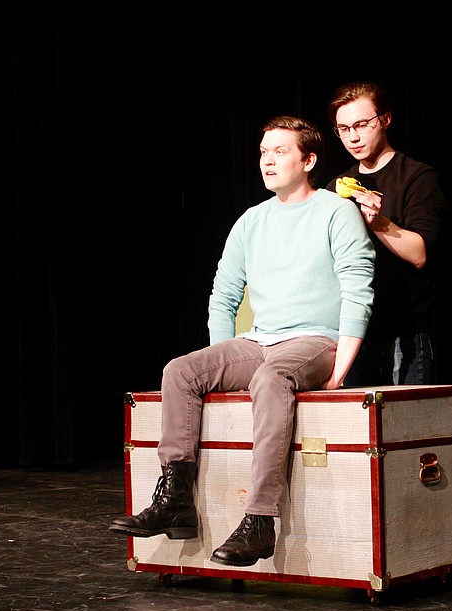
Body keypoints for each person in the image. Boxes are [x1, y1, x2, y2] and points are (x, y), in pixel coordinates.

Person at [109, 116, 375, 567]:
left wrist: (340, 369)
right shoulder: (251, 220)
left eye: (281, 151)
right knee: (181, 369)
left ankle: (260, 519)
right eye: (263, 152)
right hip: (259, 340)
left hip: (316, 339)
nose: (268, 161)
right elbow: (224, 294)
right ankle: (175, 498)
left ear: (308, 160)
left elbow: (358, 285)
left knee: (273, 376)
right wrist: (220, 361)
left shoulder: (336, 211)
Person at [326, 81, 448, 386]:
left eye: (362, 125)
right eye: (343, 128)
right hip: (354, 332)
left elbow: (420, 254)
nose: (352, 137)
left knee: (404, 427)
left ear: (385, 120)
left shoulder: (416, 177)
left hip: (405, 331)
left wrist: (378, 222)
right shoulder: (336, 188)